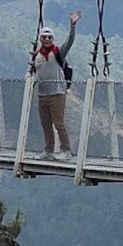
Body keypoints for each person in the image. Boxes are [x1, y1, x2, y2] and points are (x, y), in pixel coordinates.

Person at [34, 10, 81, 161]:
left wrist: (72, 26)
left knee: (58, 122)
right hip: (43, 94)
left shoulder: (58, 52)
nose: (47, 39)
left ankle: (65, 150)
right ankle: (48, 150)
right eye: (44, 37)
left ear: (52, 39)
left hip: (57, 93)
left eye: (49, 37)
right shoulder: (37, 55)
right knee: (45, 123)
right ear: (40, 38)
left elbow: (70, 42)